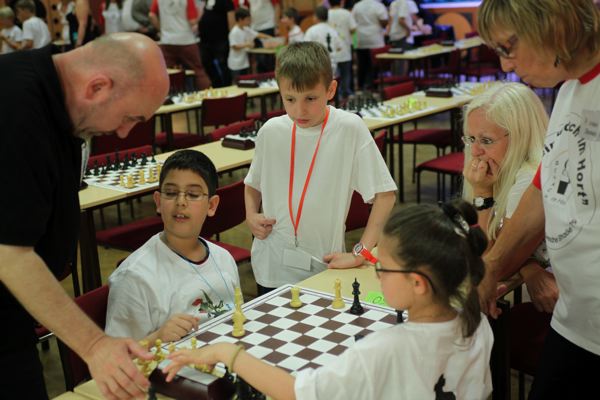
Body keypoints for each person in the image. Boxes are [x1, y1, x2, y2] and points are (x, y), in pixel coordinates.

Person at [163, 200, 494, 399]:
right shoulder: (476, 324)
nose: (377, 274)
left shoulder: (385, 348)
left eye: (382, 267)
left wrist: (226, 352)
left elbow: (296, 392)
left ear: (418, 283)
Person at [0, 33, 169, 399]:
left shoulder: (53, 97)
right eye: (129, 118)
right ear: (97, 87)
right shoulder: (15, 108)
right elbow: (9, 254)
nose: (124, 132)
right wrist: (94, 345)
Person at [476, 0, 600, 397]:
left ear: (553, 23)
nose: (506, 65)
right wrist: (492, 265)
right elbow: (544, 189)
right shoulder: (569, 89)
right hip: (575, 321)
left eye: (508, 47)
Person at [244, 42, 397, 294]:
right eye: (289, 99)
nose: (299, 110)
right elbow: (252, 183)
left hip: (325, 265)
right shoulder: (270, 131)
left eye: (310, 98)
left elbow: (385, 195)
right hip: (270, 265)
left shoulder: (348, 128)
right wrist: (250, 214)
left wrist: (361, 253)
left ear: (331, 89)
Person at [105, 150, 241, 343]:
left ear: (211, 205)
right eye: (170, 193)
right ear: (158, 202)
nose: (181, 202)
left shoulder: (223, 258)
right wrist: (156, 338)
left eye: (193, 194)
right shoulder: (134, 277)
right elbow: (117, 356)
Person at [462, 82, 558, 313]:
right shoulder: (503, 166)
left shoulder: (528, 179)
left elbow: (493, 266)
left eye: (486, 140)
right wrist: (528, 265)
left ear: (520, 136)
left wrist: (482, 194)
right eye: (471, 139)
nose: (474, 151)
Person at [149, 0, 212, 89]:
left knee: (169, 73)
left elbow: (151, 15)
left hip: (167, 40)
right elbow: (192, 21)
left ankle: (169, 95)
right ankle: (206, 93)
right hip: (186, 40)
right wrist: (201, 13)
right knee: (198, 71)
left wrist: (161, 29)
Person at [227, 7, 272, 82]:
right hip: (236, 64)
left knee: (245, 81)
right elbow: (234, 46)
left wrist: (271, 38)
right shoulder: (234, 32)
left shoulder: (246, 29)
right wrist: (247, 44)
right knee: (237, 82)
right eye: (247, 19)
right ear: (240, 19)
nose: (249, 21)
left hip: (244, 62)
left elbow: (257, 34)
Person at [351, 0, 388, 91]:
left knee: (362, 64)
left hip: (361, 38)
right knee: (375, 65)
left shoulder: (357, 6)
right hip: (375, 39)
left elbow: (353, 21)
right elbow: (384, 21)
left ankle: (360, 86)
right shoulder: (378, 5)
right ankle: (373, 86)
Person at [198, 0, 235, 87]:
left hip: (221, 39)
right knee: (205, 62)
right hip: (205, 40)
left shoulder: (226, 2)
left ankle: (227, 85)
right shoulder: (207, 1)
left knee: (222, 64)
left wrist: (232, 37)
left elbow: (231, 21)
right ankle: (216, 84)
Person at [328, 0, 356, 100]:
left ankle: (335, 96)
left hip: (331, 50)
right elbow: (353, 29)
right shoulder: (346, 13)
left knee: (334, 75)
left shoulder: (327, 14)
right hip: (344, 48)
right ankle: (345, 95)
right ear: (341, 2)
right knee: (345, 74)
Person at [303, 6, 343, 76]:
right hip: (331, 64)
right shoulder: (333, 30)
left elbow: (305, 48)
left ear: (316, 17)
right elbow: (339, 47)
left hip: (317, 64)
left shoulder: (311, 30)